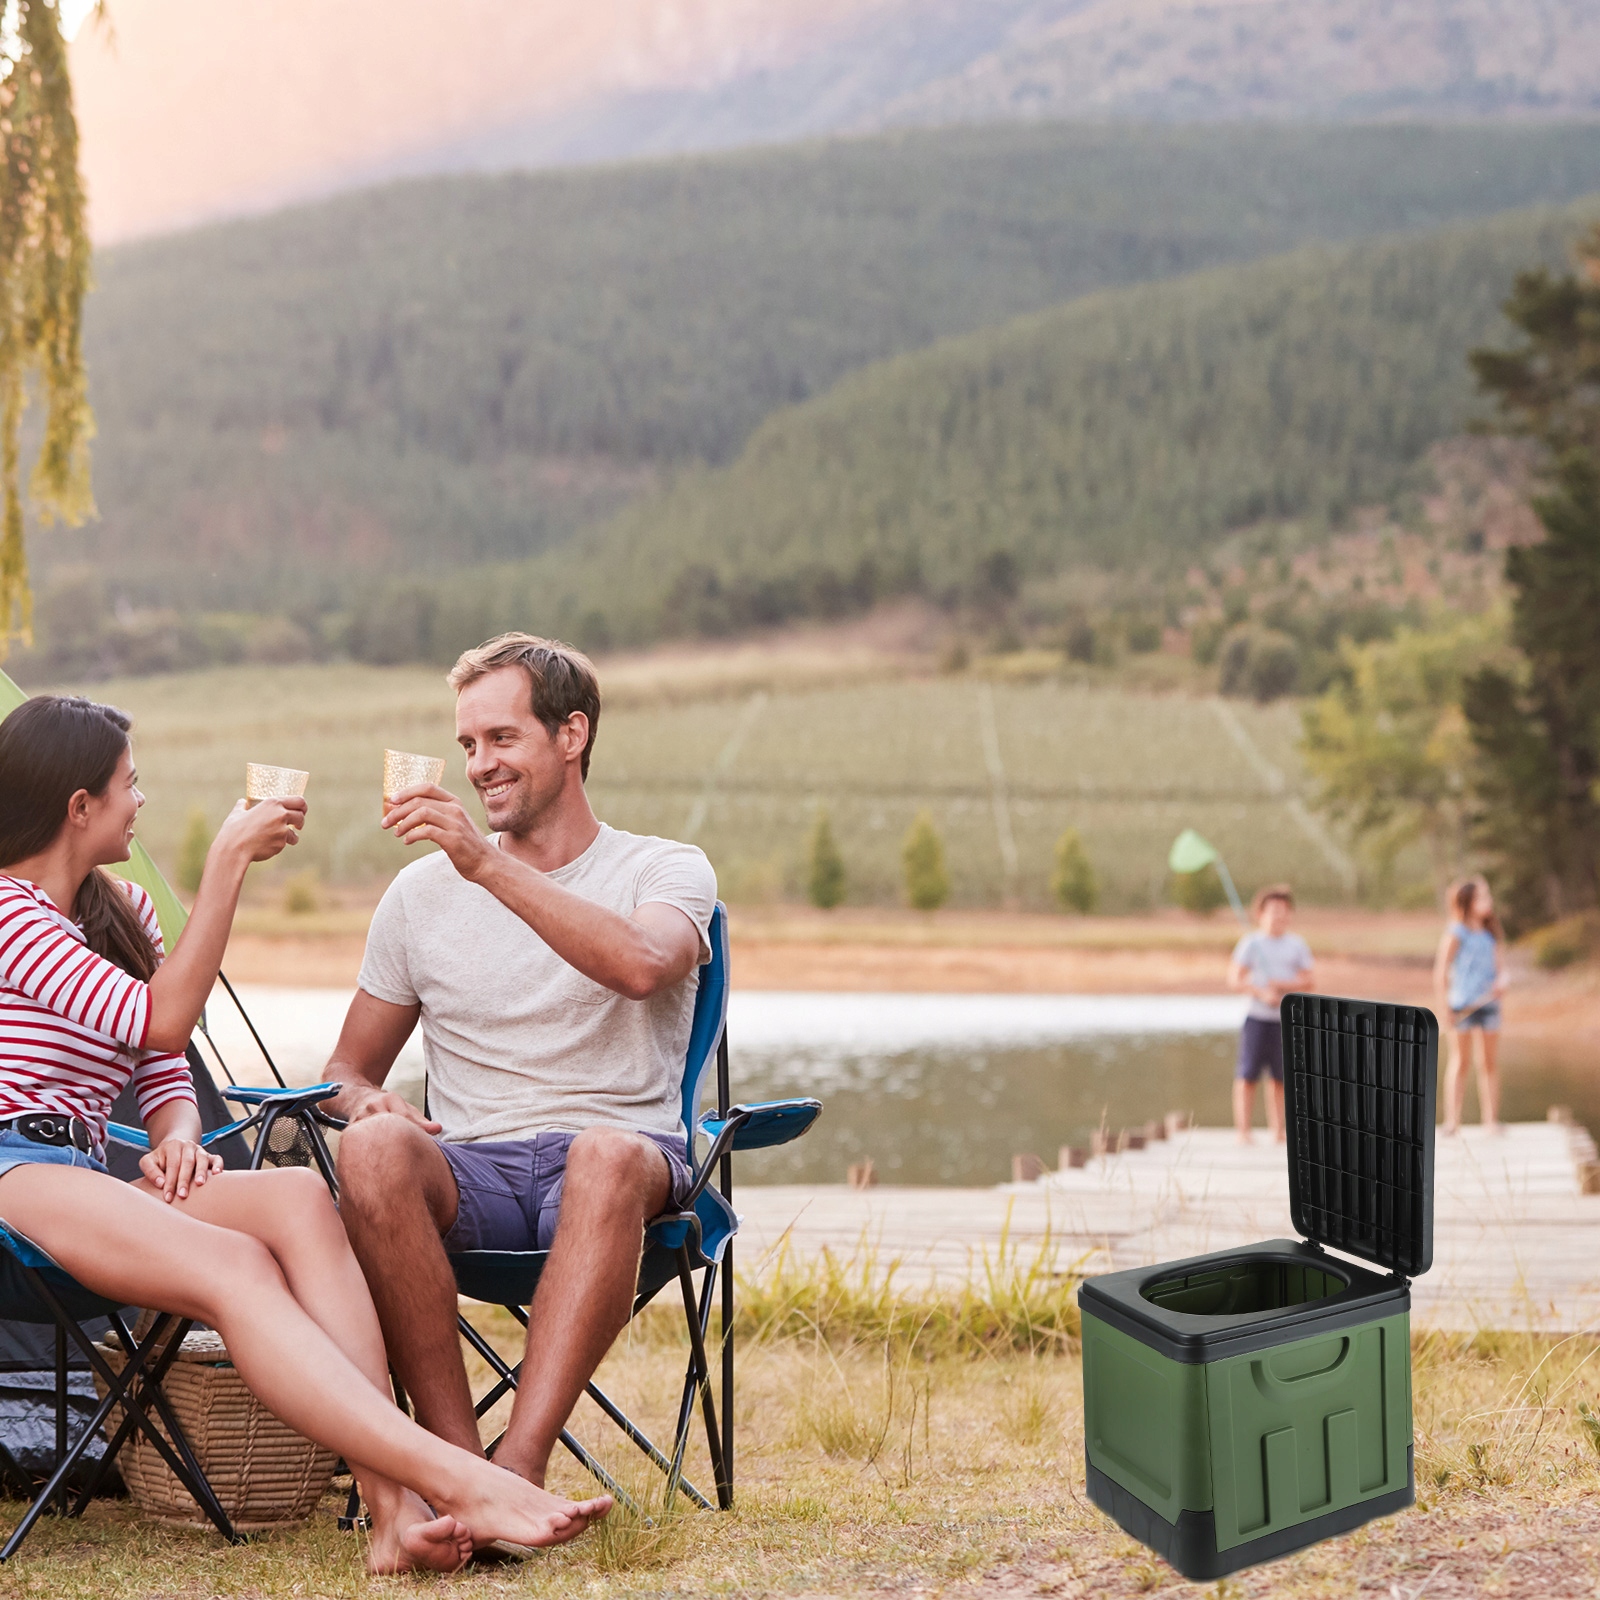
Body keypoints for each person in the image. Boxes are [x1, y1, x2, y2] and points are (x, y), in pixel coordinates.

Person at [0, 695, 609, 1573]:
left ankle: (390, 1511)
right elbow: (166, 1020)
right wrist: (227, 867)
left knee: (295, 1197)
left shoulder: (121, 906)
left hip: (83, 1173)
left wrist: (175, 1132)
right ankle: (460, 1476)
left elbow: (160, 1069)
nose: (142, 800)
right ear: (78, 804)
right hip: (16, 1169)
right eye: (129, 784)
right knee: (236, 1267)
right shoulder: (10, 914)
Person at [323, 634, 717, 1501]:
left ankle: (520, 1468)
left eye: (501, 739)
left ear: (571, 735)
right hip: (474, 1167)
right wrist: (368, 1105)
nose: (479, 765)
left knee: (605, 1155)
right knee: (372, 1153)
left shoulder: (663, 867)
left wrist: (484, 869)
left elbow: (644, 965)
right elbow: (347, 1068)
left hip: (622, 1161)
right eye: (467, 745)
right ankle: (459, 1467)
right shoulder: (417, 897)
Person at [1227, 884, 1314, 1144]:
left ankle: (1279, 1131)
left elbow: (1309, 980)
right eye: (1273, 911)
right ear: (1261, 914)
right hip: (1256, 1018)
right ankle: (1243, 1131)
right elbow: (1234, 979)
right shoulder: (1250, 943)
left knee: (1281, 1078)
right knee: (1247, 1076)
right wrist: (1260, 992)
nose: (1279, 916)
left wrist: (1282, 986)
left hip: (1285, 1020)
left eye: (1284, 911)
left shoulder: (1296, 944)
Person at [1433, 875, 1506, 1136]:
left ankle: (1491, 1121)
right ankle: (1452, 1122)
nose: (1489, 901)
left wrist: (1501, 982)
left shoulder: (1491, 932)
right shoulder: (1456, 932)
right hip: (1461, 1005)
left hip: (1488, 1005)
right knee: (1460, 1061)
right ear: (1467, 902)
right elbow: (1441, 972)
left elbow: (1499, 968)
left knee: (1489, 1063)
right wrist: (1445, 1009)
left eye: (1488, 895)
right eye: (1482, 896)